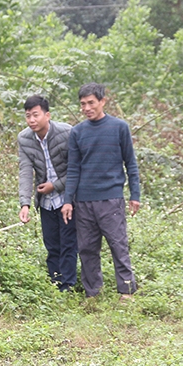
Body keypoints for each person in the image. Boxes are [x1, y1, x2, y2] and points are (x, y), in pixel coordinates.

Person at [61, 83, 140, 300]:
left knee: (118, 245)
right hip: (83, 201)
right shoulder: (77, 132)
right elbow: (73, 168)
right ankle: (92, 294)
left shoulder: (119, 127)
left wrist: (135, 195)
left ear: (102, 101)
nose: (87, 107)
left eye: (91, 103)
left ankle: (126, 291)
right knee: (87, 249)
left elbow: (130, 163)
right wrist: (68, 201)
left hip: (111, 198)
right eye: (83, 104)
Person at [18, 95, 77, 292]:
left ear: (47, 115)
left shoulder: (67, 132)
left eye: (35, 115)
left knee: (68, 243)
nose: (32, 120)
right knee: (52, 244)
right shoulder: (24, 138)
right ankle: (56, 284)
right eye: (28, 116)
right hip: (46, 202)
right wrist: (25, 204)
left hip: (67, 199)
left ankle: (68, 285)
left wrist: (56, 185)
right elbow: (25, 172)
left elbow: (77, 169)